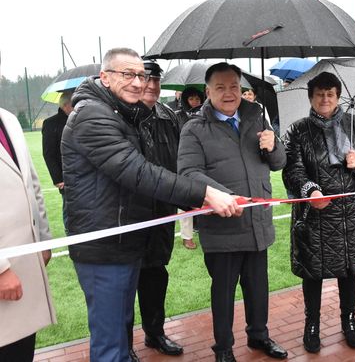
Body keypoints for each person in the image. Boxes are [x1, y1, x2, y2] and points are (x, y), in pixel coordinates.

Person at [62, 48, 240, 362]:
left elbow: (163, 168)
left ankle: (148, 337)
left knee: (118, 338)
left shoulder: (125, 112)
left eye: (141, 75)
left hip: (128, 238)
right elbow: (139, 172)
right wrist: (204, 194)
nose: (138, 82)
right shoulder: (92, 115)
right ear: (105, 77)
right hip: (105, 245)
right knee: (110, 344)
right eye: (127, 74)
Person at [177, 62, 288, 362]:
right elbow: (189, 173)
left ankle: (259, 336)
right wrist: (224, 196)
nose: (229, 93)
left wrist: (273, 145)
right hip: (222, 226)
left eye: (234, 87)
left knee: (258, 288)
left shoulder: (257, 117)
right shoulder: (194, 129)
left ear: (242, 89)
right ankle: (223, 348)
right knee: (224, 293)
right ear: (208, 91)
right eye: (221, 87)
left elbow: (278, 163)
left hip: (257, 222)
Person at [282, 72, 355, 353]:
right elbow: (292, 169)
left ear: (338, 97)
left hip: (350, 214)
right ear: (311, 98)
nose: (325, 99)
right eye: (319, 94)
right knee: (313, 272)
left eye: (330, 93)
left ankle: (349, 320)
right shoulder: (298, 131)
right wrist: (311, 191)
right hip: (314, 215)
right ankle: (311, 324)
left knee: (349, 271)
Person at [125, 60, 184, 359]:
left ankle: (155, 333)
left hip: (162, 212)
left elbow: (178, 162)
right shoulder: (122, 117)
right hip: (131, 214)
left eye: (155, 80)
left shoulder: (168, 117)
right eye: (145, 79)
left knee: (156, 274)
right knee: (126, 279)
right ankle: (125, 345)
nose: (150, 85)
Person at [0, 107, 56, 361]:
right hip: (5, 269)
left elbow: (31, 183)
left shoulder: (8, 119)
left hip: (25, 264)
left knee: (21, 350)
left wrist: (43, 240)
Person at [178, 86, 205, 250]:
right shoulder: (177, 116)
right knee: (184, 200)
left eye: (197, 98)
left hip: (203, 163)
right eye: (191, 98)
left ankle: (203, 229)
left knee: (205, 197)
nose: (195, 101)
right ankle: (187, 236)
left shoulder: (206, 115)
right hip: (182, 163)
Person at [42, 91, 73, 195]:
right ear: (65, 105)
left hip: (88, 175)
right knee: (70, 210)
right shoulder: (50, 123)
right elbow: (48, 153)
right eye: (74, 103)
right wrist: (57, 178)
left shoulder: (83, 119)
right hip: (67, 178)